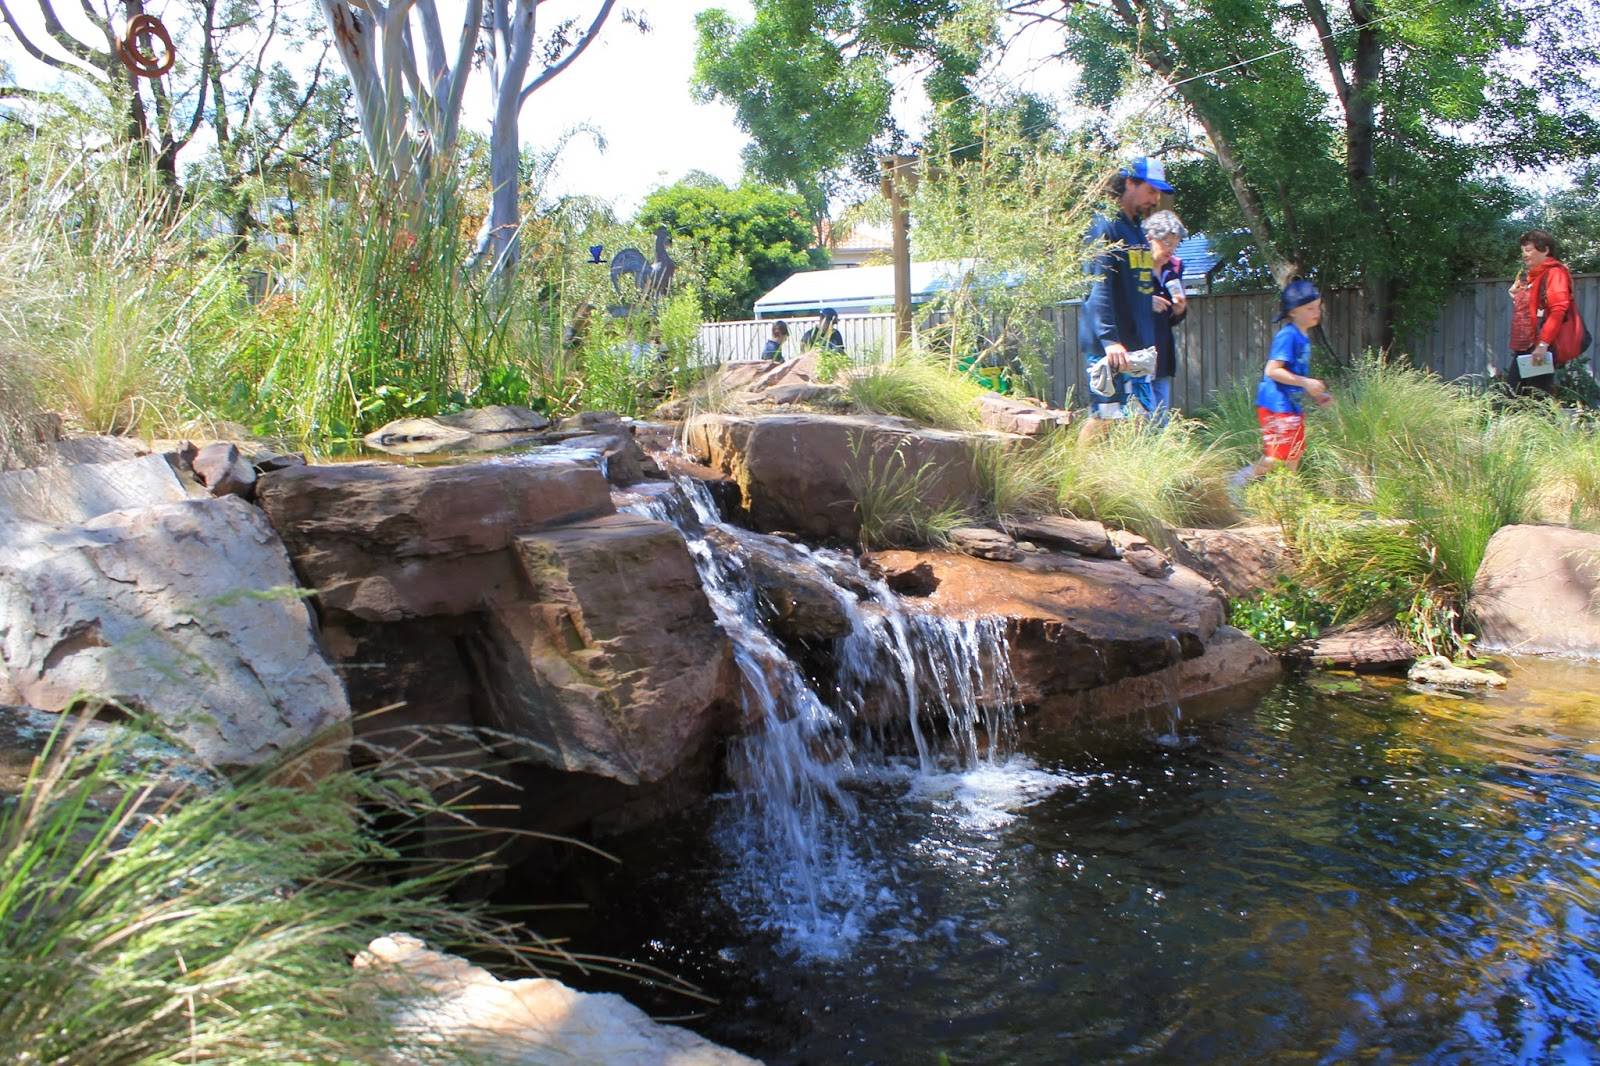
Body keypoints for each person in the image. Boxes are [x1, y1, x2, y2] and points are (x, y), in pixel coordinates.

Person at [1078, 156, 1174, 430]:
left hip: (1138, 346)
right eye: (1151, 190)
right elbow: (1098, 286)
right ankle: (1077, 473)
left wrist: (1146, 300)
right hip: (1111, 346)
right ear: (1130, 183)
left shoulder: (1137, 232)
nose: (1155, 200)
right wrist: (1109, 340)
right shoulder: (1103, 225)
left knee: (1140, 418)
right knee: (1103, 418)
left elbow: (1133, 281)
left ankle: (1121, 472)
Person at [1230, 278, 1333, 494]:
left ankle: (1288, 499)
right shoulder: (1288, 335)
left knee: (1294, 453)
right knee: (1277, 456)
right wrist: (1306, 382)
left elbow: (1295, 375)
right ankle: (1237, 481)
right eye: (1310, 308)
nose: (1316, 312)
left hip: (1291, 406)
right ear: (1293, 311)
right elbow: (1272, 370)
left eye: (1317, 307)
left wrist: (1316, 394)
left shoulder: (1303, 337)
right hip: (1276, 405)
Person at [1503, 229, 1573, 397]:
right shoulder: (1532, 276)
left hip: (1539, 346)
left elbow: (1558, 310)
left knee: (1534, 399)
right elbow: (1530, 308)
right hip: (1526, 346)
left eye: (1528, 250)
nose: (1524, 255)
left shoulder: (1555, 273)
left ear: (1545, 250)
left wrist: (1543, 345)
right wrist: (1514, 294)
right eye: (1523, 251)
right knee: (1516, 397)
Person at [1144, 209, 1190, 423]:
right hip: (1137, 352)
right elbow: (1121, 305)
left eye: (1175, 243)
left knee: (1160, 419)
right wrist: (1146, 302)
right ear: (1150, 238)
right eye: (1167, 243)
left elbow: (1170, 319)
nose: (1171, 249)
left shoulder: (1174, 270)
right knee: (1142, 418)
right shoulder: (1135, 267)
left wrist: (1179, 311)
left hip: (1162, 353)